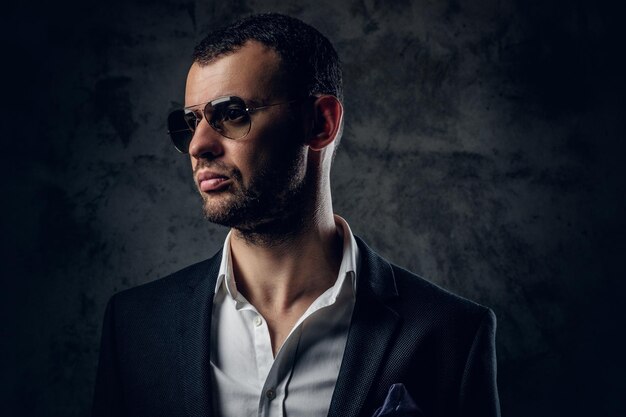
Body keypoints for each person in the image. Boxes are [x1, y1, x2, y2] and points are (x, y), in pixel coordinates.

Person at [93, 13, 500, 417]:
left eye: (232, 113)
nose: (199, 145)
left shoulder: (450, 334)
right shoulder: (135, 327)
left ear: (321, 123)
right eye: (191, 122)